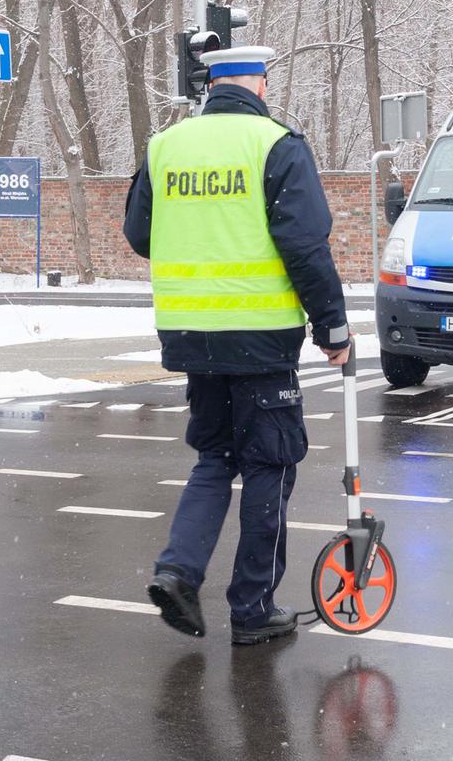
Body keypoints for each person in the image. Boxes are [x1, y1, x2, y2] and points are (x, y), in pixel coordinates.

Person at [124, 46, 351, 645]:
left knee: (214, 458)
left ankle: (178, 572)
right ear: (260, 83)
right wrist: (333, 326)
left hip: (189, 338)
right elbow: (305, 245)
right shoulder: (275, 144)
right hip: (258, 338)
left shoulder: (167, 145)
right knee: (269, 466)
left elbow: (140, 235)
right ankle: (252, 609)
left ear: (208, 86)